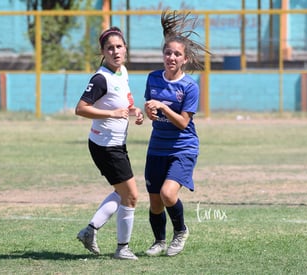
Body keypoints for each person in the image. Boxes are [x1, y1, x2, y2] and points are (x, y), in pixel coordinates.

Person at [143, 10, 211, 257]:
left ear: (184, 59)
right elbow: (149, 107)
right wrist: (147, 113)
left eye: (177, 54)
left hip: (183, 147)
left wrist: (163, 106)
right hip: (156, 147)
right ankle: (159, 241)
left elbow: (183, 123)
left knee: (167, 194)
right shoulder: (152, 79)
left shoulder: (190, 86)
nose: (171, 57)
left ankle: (180, 231)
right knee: (154, 201)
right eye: (168, 52)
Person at [75, 26, 144, 260]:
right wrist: (112, 114)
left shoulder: (122, 71)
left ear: (125, 48)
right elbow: (81, 109)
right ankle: (122, 248)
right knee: (131, 196)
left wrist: (135, 111)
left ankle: (90, 231)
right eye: (110, 48)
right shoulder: (101, 78)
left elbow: (123, 103)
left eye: (119, 46)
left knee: (122, 192)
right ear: (103, 52)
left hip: (116, 143)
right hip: (105, 146)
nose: (115, 51)